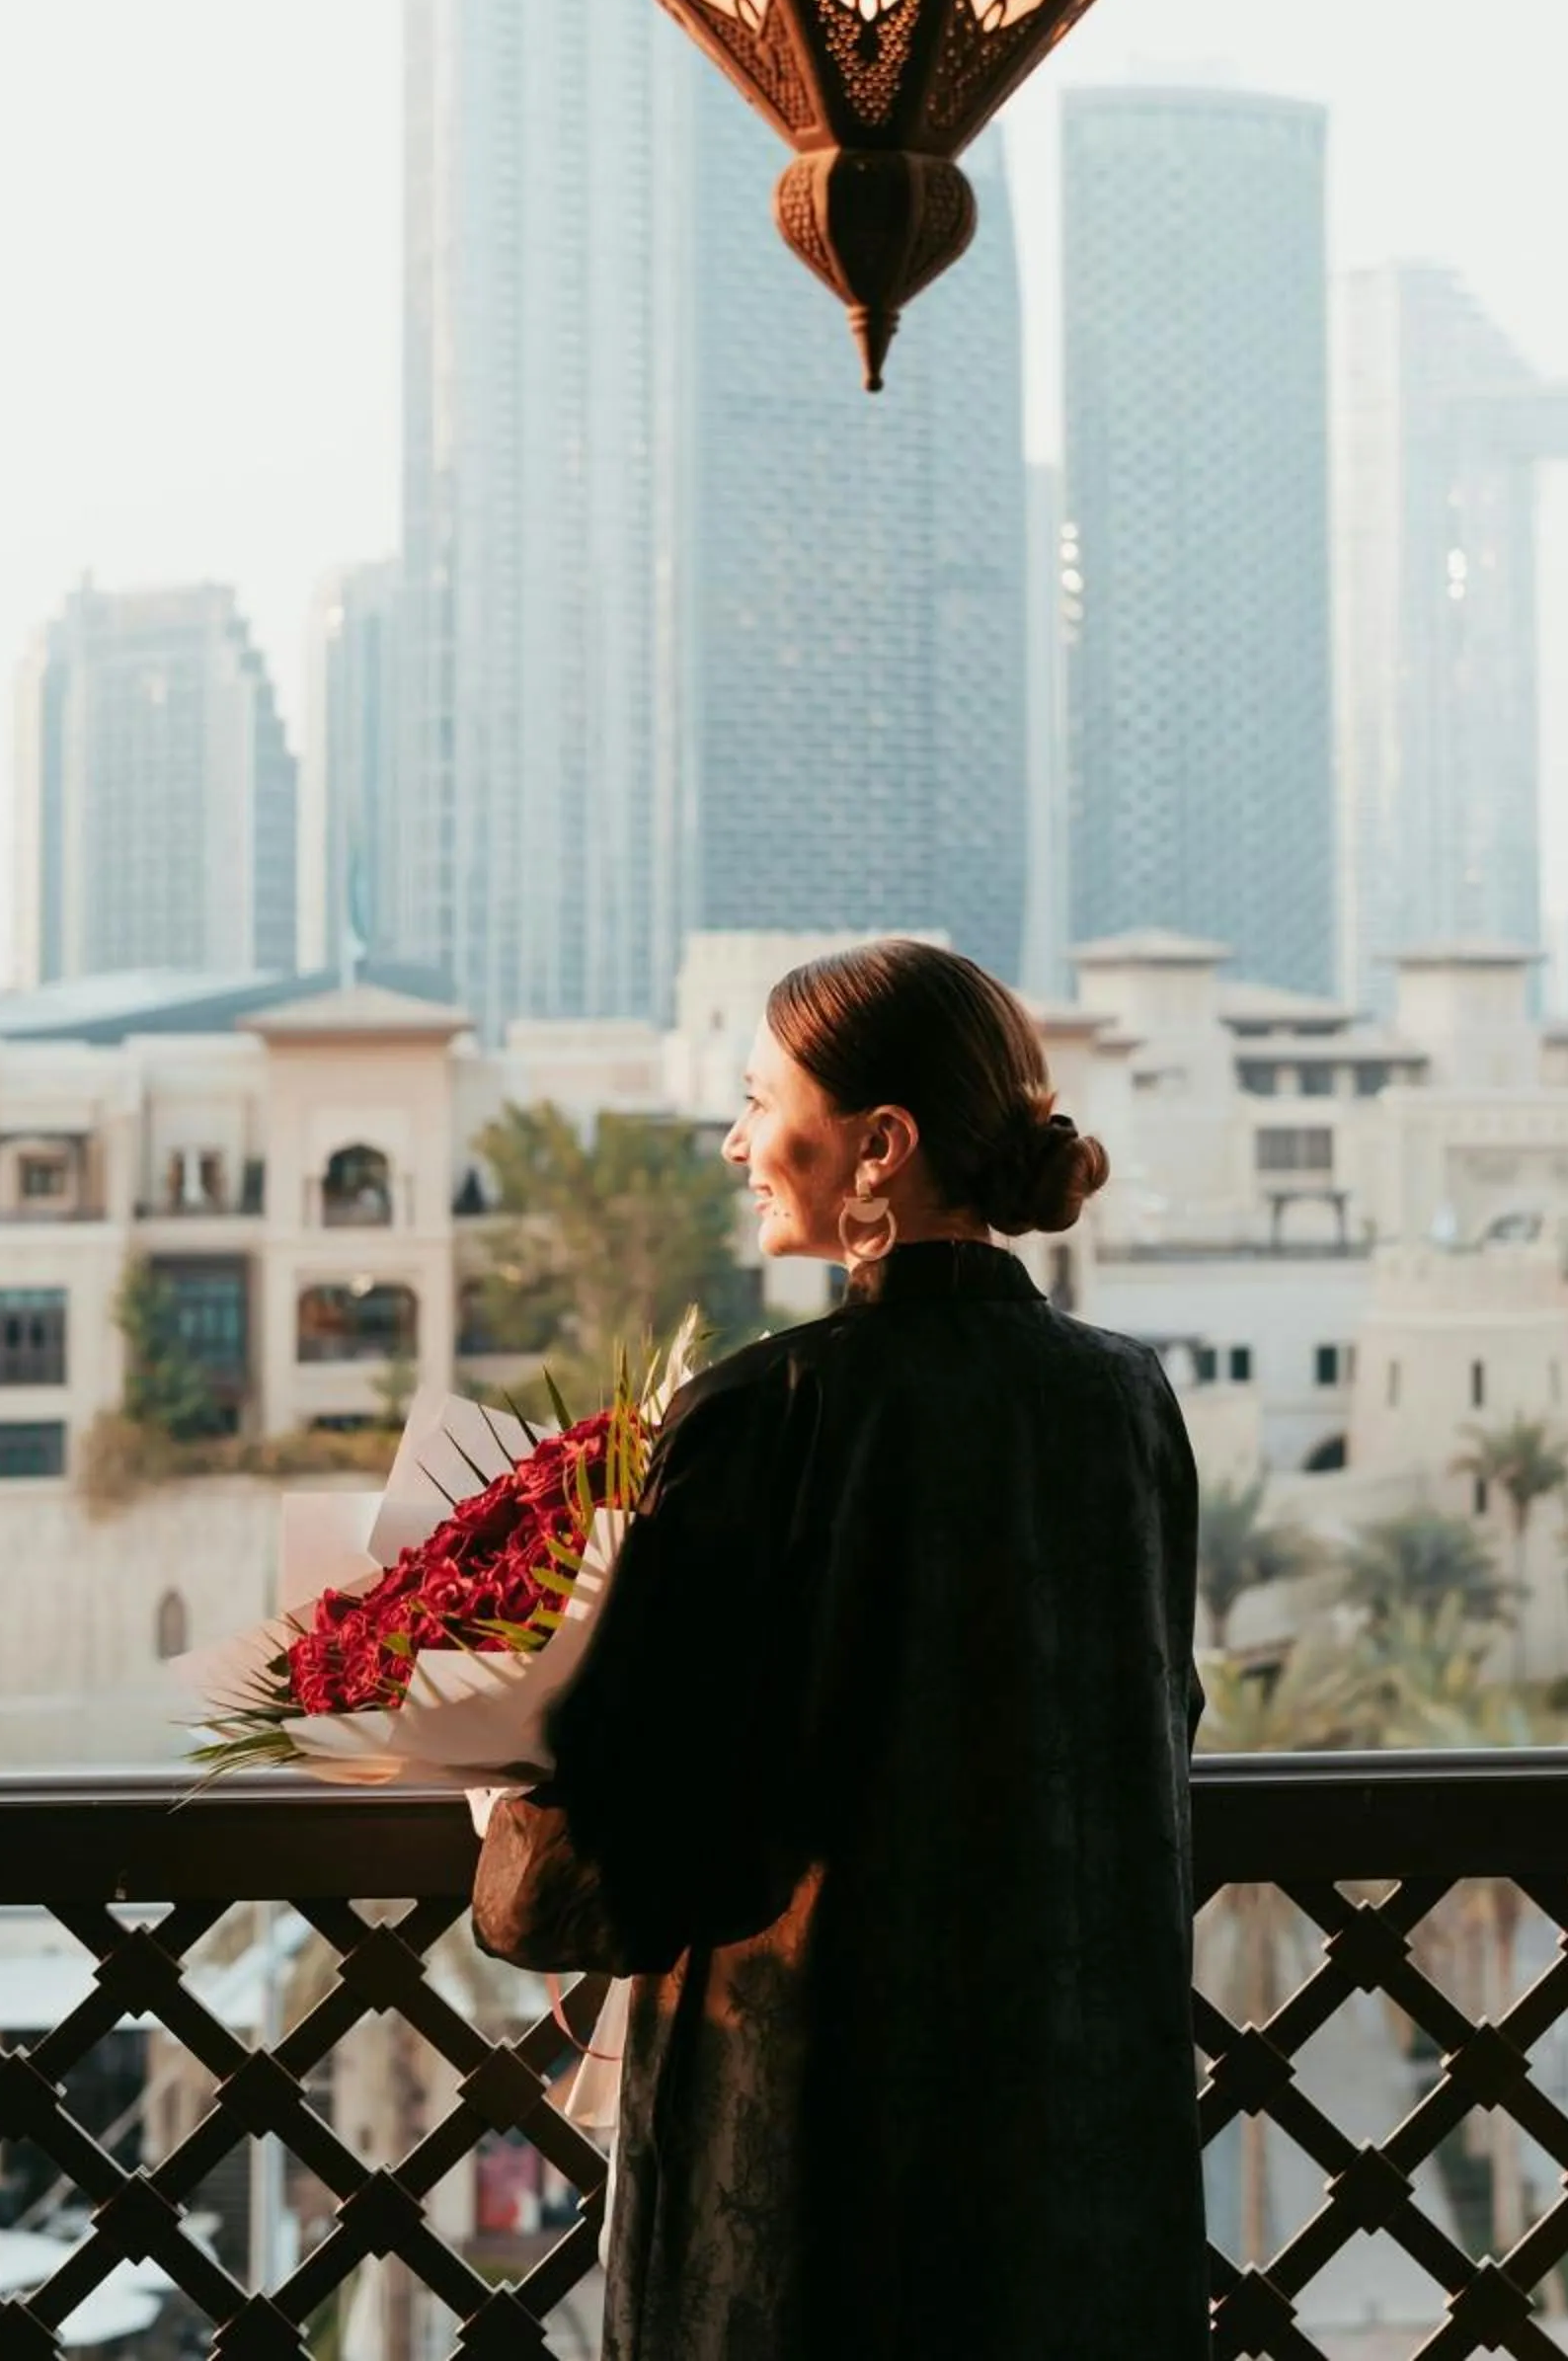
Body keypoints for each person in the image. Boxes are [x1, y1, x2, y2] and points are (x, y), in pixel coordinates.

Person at [472, 938, 1208, 2361]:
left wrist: (501, 1811)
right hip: (1076, 2172)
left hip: (818, 2183)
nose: (741, 1141)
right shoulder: (1126, 1403)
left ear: (881, 1145)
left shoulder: (770, 1414)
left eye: (761, 1101)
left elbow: (611, 1857)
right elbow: (1152, 1744)